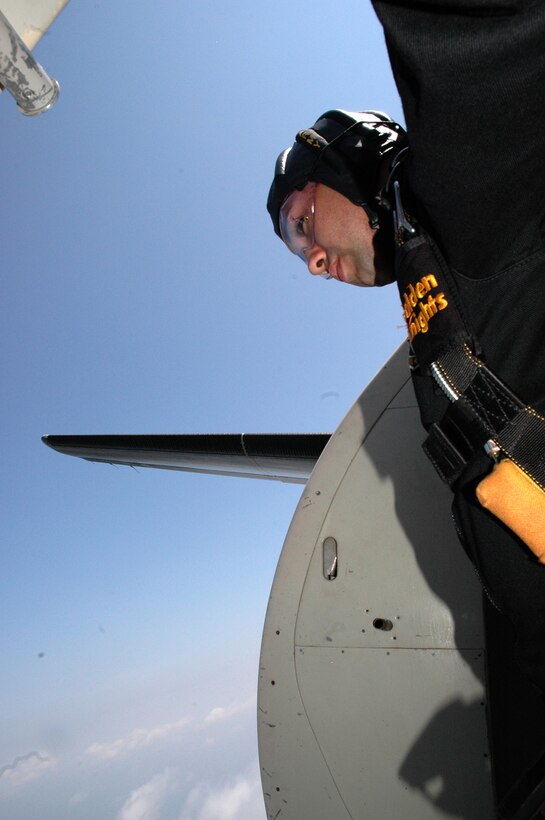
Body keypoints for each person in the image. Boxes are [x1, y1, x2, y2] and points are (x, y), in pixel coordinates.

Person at [267, 0, 545, 809]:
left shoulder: (466, 192)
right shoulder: (440, 275)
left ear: (347, 161)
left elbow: (480, 32)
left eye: (299, 221)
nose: (311, 262)